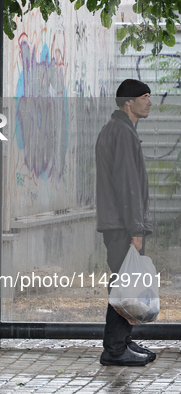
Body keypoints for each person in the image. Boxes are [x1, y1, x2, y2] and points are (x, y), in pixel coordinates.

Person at [95, 79, 155, 366]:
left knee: (126, 284)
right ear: (128, 102)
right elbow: (127, 184)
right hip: (122, 226)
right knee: (124, 286)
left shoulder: (119, 130)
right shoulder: (121, 132)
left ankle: (123, 342)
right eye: (145, 97)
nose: (149, 102)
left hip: (119, 224)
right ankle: (115, 349)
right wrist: (136, 228)